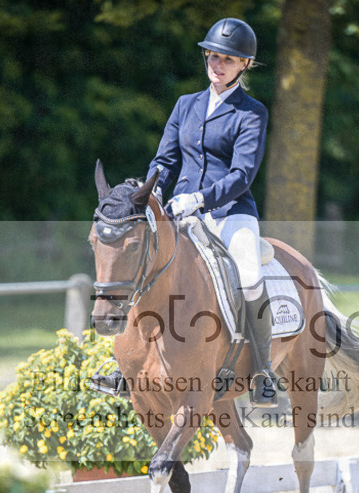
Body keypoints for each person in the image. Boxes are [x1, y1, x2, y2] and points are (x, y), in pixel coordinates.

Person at [93, 17, 278, 408]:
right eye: (212, 56)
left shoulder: (252, 113)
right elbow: (164, 159)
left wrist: (199, 199)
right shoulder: (186, 105)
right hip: (178, 212)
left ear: (244, 64)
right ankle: (125, 365)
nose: (216, 64)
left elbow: (242, 175)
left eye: (227, 60)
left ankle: (263, 369)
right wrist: (153, 192)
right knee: (141, 264)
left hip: (230, 213)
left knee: (248, 276)